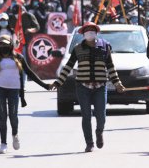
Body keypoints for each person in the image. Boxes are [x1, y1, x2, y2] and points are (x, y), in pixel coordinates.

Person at [50, 22, 125, 153]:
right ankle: (89, 143)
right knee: (86, 116)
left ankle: (99, 131)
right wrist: (58, 82)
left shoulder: (105, 47)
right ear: (83, 34)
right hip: (82, 87)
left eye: (92, 30)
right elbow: (68, 66)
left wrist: (117, 83)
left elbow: (110, 67)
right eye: (87, 30)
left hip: (100, 86)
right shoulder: (77, 48)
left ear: (96, 32)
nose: (90, 32)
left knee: (101, 115)